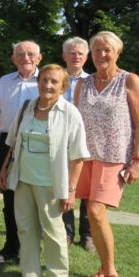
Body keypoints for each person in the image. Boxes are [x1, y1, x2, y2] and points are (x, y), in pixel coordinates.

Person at [0, 64, 89, 277]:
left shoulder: (70, 113)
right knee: (26, 230)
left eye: (54, 82)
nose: (47, 85)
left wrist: (71, 190)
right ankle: (30, 275)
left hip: (51, 184)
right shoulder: (26, 107)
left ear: (63, 87)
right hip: (22, 181)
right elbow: (12, 143)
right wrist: (4, 169)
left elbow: (78, 157)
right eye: (44, 80)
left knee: (54, 234)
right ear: (38, 82)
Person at [74, 31, 139, 277]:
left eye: (107, 50)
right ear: (90, 54)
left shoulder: (129, 80)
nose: (102, 54)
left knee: (95, 211)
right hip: (84, 157)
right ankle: (103, 270)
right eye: (97, 50)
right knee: (91, 212)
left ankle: (112, 273)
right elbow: (75, 122)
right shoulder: (83, 84)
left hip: (114, 157)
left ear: (117, 52)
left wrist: (137, 161)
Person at [0, 41, 43, 263]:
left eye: (31, 54)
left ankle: (33, 251)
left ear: (39, 58)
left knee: (37, 200)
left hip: (37, 147)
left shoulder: (46, 81)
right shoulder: (4, 81)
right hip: (5, 145)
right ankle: (11, 247)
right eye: (20, 54)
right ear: (13, 58)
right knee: (9, 200)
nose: (26, 58)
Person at [60, 37, 95, 252]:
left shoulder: (93, 81)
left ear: (86, 57)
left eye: (80, 53)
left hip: (87, 142)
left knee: (88, 191)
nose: (76, 56)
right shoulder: (55, 79)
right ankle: (66, 232)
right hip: (60, 142)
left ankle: (87, 235)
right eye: (72, 52)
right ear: (64, 56)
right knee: (64, 186)